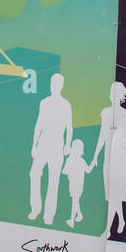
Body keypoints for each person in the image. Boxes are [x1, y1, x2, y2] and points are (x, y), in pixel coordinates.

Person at [89, 82, 126, 239]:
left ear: (120, 96)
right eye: (111, 92)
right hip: (109, 157)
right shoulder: (105, 112)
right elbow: (102, 136)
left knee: (114, 195)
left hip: (122, 159)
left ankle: (107, 230)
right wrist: (94, 156)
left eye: (115, 93)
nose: (112, 96)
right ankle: (122, 220)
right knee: (113, 194)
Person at [29, 73, 73, 225]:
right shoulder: (44, 102)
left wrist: (68, 145)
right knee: (34, 174)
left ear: (61, 86)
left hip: (57, 144)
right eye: (52, 83)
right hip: (43, 142)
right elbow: (38, 124)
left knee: (53, 180)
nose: (54, 86)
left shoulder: (66, 104)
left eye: (57, 83)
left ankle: (49, 215)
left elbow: (69, 127)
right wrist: (34, 145)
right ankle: (35, 209)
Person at [62, 138, 92, 227]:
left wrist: (93, 163)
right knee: (75, 200)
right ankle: (80, 215)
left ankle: (72, 220)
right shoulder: (73, 159)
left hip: (77, 184)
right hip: (73, 183)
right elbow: (88, 170)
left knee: (75, 200)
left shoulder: (73, 160)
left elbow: (87, 170)